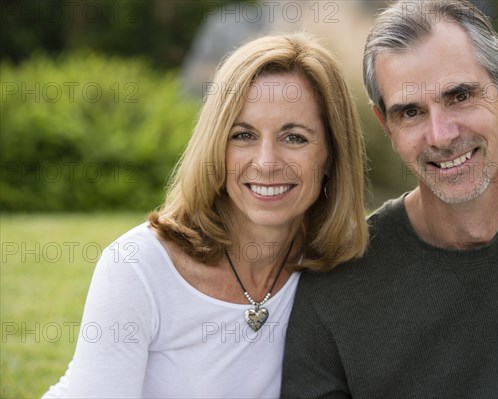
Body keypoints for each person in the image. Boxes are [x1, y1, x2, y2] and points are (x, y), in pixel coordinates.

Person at [281, 1, 498, 398]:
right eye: (410, 112)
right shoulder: (335, 287)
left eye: (460, 96)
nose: (441, 135)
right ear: (388, 128)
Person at [41, 32, 369, 398]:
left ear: (332, 156)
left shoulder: (334, 268)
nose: (266, 162)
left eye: (294, 138)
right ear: (215, 146)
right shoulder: (137, 265)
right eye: (242, 135)